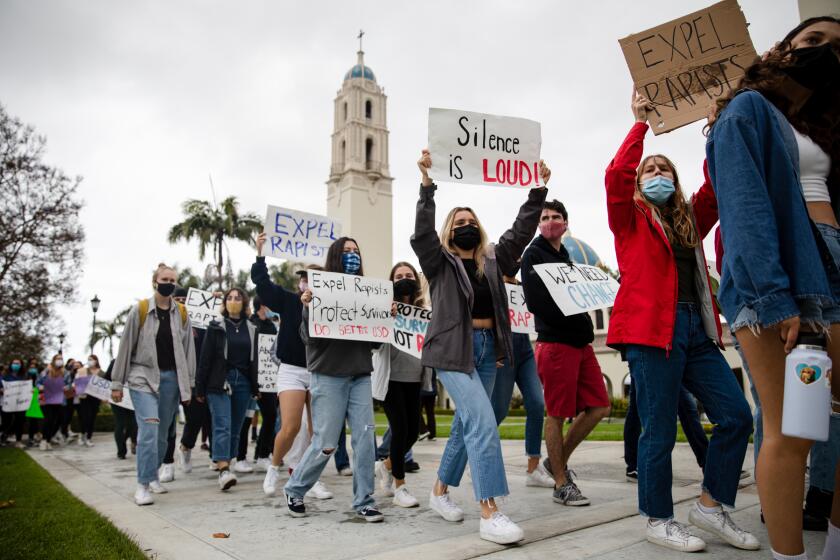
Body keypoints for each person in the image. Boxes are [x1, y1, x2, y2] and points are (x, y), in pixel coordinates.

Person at [707, 16, 840, 560]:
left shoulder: (819, 124)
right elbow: (744, 208)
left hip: (831, 262)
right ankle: (791, 555)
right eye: (813, 41)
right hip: (789, 279)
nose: (825, 52)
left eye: (836, 48)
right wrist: (774, 296)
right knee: (792, 430)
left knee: (827, 424)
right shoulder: (747, 110)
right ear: (780, 50)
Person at [604, 91, 757, 553]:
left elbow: (715, 187)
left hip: (697, 331)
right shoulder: (629, 218)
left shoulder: (688, 218)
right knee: (659, 429)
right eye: (649, 170)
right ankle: (658, 517)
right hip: (654, 333)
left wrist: (717, 127)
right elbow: (615, 176)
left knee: (736, 416)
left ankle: (710, 506)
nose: (655, 175)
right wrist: (640, 126)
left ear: (675, 177)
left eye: (663, 169)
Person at [412, 149, 549, 544]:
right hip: (453, 352)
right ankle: (490, 510)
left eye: (472, 221)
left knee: (465, 424)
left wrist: (538, 189)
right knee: (484, 422)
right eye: (459, 223)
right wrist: (426, 188)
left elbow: (521, 231)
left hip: (490, 349)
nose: (467, 225)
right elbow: (422, 235)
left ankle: (439, 492)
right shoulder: (438, 262)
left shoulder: (493, 259)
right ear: (449, 232)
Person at [283, 237, 383, 522]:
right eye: (346, 252)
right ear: (335, 258)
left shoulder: (368, 294)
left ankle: (365, 500)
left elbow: (375, 344)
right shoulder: (318, 292)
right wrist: (307, 308)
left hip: (360, 374)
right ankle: (295, 487)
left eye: (356, 251)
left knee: (365, 439)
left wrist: (385, 320)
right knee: (326, 441)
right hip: (328, 374)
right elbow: (308, 336)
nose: (353, 256)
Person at [520, 199, 611, 504]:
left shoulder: (565, 255)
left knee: (599, 406)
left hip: (581, 343)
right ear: (538, 223)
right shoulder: (533, 254)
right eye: (545, 217)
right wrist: (573, 316)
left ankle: (554, 461)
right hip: (556, 343)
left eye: (556, 216)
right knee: (556, 415)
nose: (550, 221)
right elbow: (536, 302)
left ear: (566, 223)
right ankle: (561, 482)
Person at [111, 263, 196, 506]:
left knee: (162, 435)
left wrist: (188, 385)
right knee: (148, 430)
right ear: (154, 282)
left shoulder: (181, 313)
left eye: (173, 279)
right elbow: (125, 347)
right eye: (165, 278)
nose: (169, 282)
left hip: (171, 379)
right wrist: (117, 383)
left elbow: (189, 351)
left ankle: (154, 473)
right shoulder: (139, 310)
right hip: (142, 377)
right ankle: (143, 484)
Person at [490, 275, 554, 489]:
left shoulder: (522, 286)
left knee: (537, 403)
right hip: (504, 351)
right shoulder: (493, 283)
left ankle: (533, 468)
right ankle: (480, 460)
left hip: (525, 351)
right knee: (498, 411)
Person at [372, 261, 428, 508]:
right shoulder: (384, 308)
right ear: (391, 282)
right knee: (399, 430)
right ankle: (400, 487)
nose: (404, 279)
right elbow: (373, 340)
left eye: (408, 275)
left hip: (414, 378)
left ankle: (385, 466)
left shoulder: (424, 310)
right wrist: (386, 317)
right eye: (399, 276)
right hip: (391, 380)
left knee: (413, 432)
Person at [195, 287, 260, 491]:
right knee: (222, 424)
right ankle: (223, 469)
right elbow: (205, 359)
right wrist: (200, 387)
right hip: (219, 383)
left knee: (236, 428)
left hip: (243, 383)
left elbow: (254, 360)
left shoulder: (251, 328)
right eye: (230, 298)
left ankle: (227, 464)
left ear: (244, 302)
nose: (234, 301)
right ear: (224, 302)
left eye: (238, 297)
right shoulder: (216, 327)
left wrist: (255, 386)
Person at [624, 382, 710, 480]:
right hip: (644, 368)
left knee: (687, 408)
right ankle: (634, 466)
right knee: (636, 408)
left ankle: (708, 464)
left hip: (675, 368)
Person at [248, 295, 278, 471]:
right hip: (253, 378)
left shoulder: (271, 326)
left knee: (270, 416)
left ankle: (262, 454)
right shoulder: (251, 325)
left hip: (269, 380)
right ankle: (242, 456)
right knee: (246, 420)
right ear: (262, 306)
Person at [105, 358, 137, 460]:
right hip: (118, 397)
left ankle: (132, 441)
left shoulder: (136, 361)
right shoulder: (115, 362)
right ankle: (121, 450)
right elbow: (106, 378)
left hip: (132, 398)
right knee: (120, 423)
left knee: (133, 424)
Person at [37, 354, 69, 450]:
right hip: (47, 399)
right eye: (58, 359)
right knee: (48, 420)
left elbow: (69, 384)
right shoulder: (46, 371)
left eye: (61, 359)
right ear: (53, 360)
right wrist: (41, 387)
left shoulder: (65, 373)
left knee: (56, 421)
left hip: (60, 400)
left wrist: (66, 387)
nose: (59, 361)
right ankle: (44, 440)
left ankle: (48, 440)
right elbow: (38, 382)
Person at [73, 355, 106, 447]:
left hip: (95, 398)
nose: (89, 361)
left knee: (92, 418)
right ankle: (82, 434)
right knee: (84, 417)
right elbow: (77, 382)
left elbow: (105, 385)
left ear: (96, 361)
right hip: (84, 397)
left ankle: (89, 437)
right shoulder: (83, 371)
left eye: (91, 359)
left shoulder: (102, 373)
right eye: (88, 360)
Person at [1, 358, 28, 448]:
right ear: (11, 364)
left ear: (21, 365)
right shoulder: (5, 375)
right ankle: (4, 438)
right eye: (14, 363)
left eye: (18, 363)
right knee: (6, 422)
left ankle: (18, 441)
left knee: (20, 422)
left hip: (20, 403)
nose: (15, 365)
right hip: (8, 403)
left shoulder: (24, 376)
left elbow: (27, 387)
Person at [418, 369, 437, 441]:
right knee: (430, 413)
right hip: (432, 391)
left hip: (422, 391)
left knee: (416, 412)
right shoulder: (433, 365)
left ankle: (423, 430)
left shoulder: (423, 364)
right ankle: (432, 435)